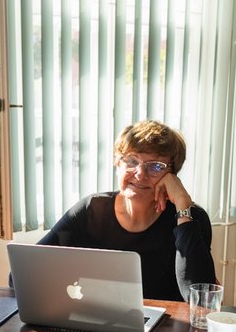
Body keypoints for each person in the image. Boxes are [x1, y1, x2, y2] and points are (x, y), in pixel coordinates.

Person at [37, 120, 217, 301]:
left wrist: (182, 204)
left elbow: (202, 301)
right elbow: (25, 273)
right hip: (100, 321)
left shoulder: (193, 218)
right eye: (132, 161)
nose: (140, 174)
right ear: (117, 163)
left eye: (155, 166)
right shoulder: (91, 211)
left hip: (167, 327)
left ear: (172, 175)